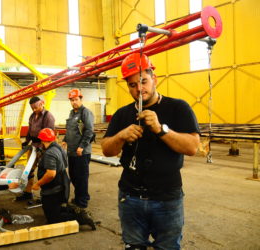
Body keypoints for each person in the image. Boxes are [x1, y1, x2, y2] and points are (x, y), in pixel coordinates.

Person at [101, 52, 200, 250]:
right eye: (132, 85)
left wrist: (160, 129)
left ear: (154, 79)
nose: (139, 89)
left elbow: (192, 147)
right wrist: (121, 136)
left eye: (143, 82)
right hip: (130, 197)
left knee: (168, 247)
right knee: (133, 245)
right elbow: (106, 150)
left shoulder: (178, 108)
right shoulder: (122, 114)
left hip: (167, 198)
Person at [32, 128, 95, 230]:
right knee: (52, 209)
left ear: (42, 140)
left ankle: (81, 218)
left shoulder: (49, 153)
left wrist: (38, 184)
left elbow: (51, 174)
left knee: (53, 219)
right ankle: (76, 211)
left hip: (54, 187)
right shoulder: (58, 148)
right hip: (62, 184)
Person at [16, 96, 55, 201]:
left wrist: (43, 149)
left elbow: (49, 135)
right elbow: (29, 131)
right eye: (32, 108)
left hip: (44, 148)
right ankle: (28, 192)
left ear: (42, 103)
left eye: (36, 107)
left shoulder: (48, 116)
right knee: (29, 171)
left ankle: (46, 195)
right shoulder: (32, 116)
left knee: (43, 172)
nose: (34, 110)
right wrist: (26, 141)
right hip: (33, 146)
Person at [62, 89, 94, 209]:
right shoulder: (72, 113)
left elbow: (89, 131)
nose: (74, 102)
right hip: (72, 151)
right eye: (72, 100)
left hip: (82, 152)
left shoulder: (86, 112)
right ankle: (81, 195)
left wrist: (82, 146)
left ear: (81, 99)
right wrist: (65, 139)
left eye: (76, 99)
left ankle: (82, 202)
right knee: (74, 176)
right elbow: (70, 129)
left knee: (81, 177)